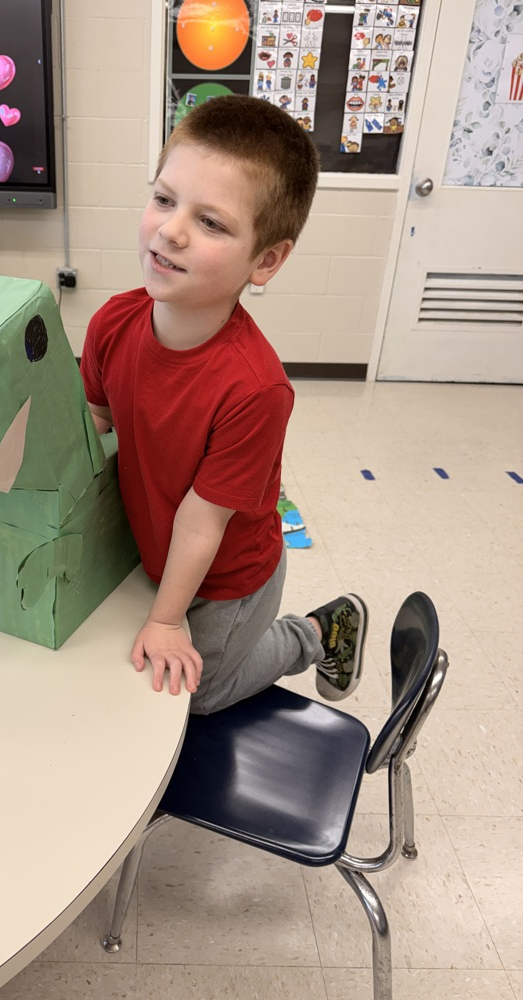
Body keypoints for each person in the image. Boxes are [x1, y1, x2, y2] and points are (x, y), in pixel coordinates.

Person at [80, 96, 368, 716]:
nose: (171, 229)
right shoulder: (110, 323)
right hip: (156, 541)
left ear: (265, 260)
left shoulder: (255, 389)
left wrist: (165, 620)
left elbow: (202, 523)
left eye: (211, 223)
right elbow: (93, 429)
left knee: (198, 693)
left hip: (230, 577)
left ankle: (316, 632)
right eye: (163, 198)